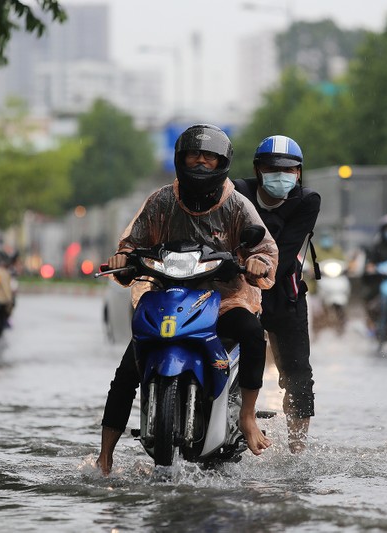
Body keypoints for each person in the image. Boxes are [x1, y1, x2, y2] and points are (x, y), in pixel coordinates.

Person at [96, 124, 279, 476]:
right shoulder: (161, 200)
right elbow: (130, 244)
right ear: (181, 160)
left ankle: (248, 417)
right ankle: (105, 456)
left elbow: (264, 248)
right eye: (194, 154)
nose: (201, 161)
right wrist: (123, 258)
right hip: (166, 295)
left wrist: (258, 262)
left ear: (221, 163)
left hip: (224, 298)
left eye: (209, 156)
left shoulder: (237, 204)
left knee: (252, 333)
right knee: (127, 369)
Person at [232, 134, 320, 453]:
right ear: (258, 170)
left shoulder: (307, 201)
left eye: (289, 169)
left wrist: (261, 266)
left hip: (284, 296)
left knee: (298, 375)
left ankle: (297, 450)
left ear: (298, 173)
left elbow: (284, 252)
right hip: (238, 291)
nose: (281, 175)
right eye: (272, 168)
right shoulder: (237, 193)